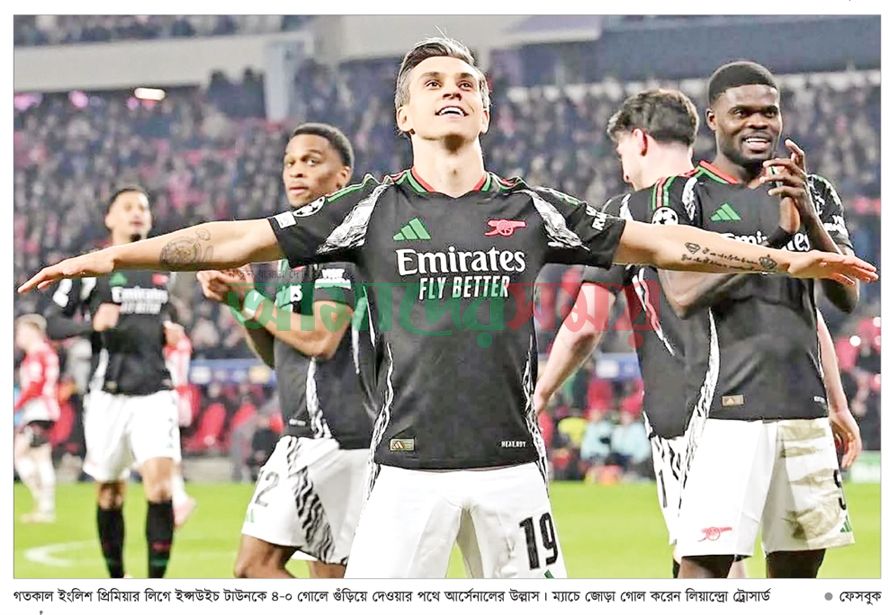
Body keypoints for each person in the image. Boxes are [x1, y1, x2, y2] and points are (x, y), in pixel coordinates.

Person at [19, 39, 877, 579]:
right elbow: (236, 238)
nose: (452, 89)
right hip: (404, 472)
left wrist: (782, 257)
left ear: (487, 108)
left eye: (467, 80)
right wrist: (114, 255)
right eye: (432, 82)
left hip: (514, 473)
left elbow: (663, 245)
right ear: (405, 112)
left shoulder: (533, 208)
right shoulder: (368, 207)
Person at [647, 61, 863, 579]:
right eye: (741, 112)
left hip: (804, 410)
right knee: (703, 570)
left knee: (797, 578)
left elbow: (845, 297)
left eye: (769, 112)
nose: (758, 122)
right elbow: (681, 295)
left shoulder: (812, 191)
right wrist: (775, 244)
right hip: (723, 413)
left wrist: (808, 217)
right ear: (713, 119)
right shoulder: (682, 195)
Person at [197, 123, 373, 579]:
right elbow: (278, 354)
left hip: (330, 434)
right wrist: (242, 303)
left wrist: (251, 301)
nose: (296, 170)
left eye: (312, 161)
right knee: (330, 579)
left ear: (343, 176)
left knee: (253, 567)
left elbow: (321, 339)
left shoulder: (339, 245)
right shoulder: (291, 253)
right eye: (290, 162)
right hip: (322, 435)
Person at [42, 186, 182, 578]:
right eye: (128, 207)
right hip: (108, 393)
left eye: (143, 207)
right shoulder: (91, 266)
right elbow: (52, 323)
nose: (137, 213)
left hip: (155, 390)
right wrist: (90, 326)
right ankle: (118, 583)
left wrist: (169, 329)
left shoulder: (164, 268)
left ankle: (155, 589)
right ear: (110, 218)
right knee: (109, 493)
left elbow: (160, 317)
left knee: (160, 488)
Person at [14, 314, 60, 523]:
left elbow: (35, 385)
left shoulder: (38, 354)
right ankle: (44, 506)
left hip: (39, 411)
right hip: (42, 411)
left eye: (21, 332)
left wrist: (16, 406)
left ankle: (44, 504)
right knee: (37, 456)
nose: (18, 337)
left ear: (33, 332)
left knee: (23, 454)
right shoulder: (43, 353)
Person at [162, 322, 198, 528]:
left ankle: (179, 497)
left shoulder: (172, 340)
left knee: (167, 448)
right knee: (169, 447)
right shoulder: (184, 340)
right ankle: (176, 495)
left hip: (170, 394)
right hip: (181, 395)